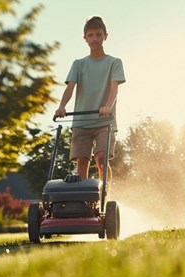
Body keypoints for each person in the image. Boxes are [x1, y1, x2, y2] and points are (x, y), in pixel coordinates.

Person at [55, 16, 126, 181]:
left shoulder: (114, 62)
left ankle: (104, 196)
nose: (95, 39)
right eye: (91, 35)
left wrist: (107, 106)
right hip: (81, 121)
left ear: (105, 36)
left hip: (104, 120)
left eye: (98, 35)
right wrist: (62, 106)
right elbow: (70, 87)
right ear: (85, 38)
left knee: (101, 158)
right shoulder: (79, 64)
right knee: (81, 162)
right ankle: (83, 203)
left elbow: (114, 88)